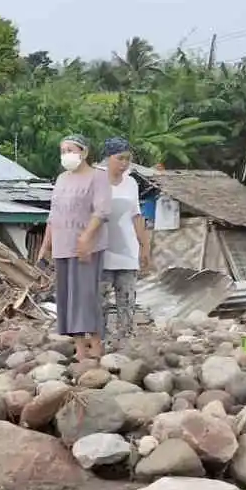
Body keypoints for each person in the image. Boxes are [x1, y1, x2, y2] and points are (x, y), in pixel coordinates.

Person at [36, 134, 112, 362]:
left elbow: (102, 211)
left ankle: (96, 343)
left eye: (71, 150)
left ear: (84, 152)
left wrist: (86, 238)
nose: (66, 155)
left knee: (87, 295)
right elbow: (53, 215)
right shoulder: (61, 179)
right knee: (67, 296)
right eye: (63, 150)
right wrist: (44, 247)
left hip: (87, 246)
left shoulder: (98, 177)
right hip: (62, 244)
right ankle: (79, 347)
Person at [99, 137, 151, 346]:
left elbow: (136, 216)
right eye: (119, 158)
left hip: (127, 251)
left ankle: (125, 338)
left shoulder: (131, 183)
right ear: (108, 158)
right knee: (99, 298)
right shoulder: (95, 181)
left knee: (127, 297)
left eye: (127, 159)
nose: (124, 163)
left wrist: (144, 246)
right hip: (101, 250)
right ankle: (99, 339)